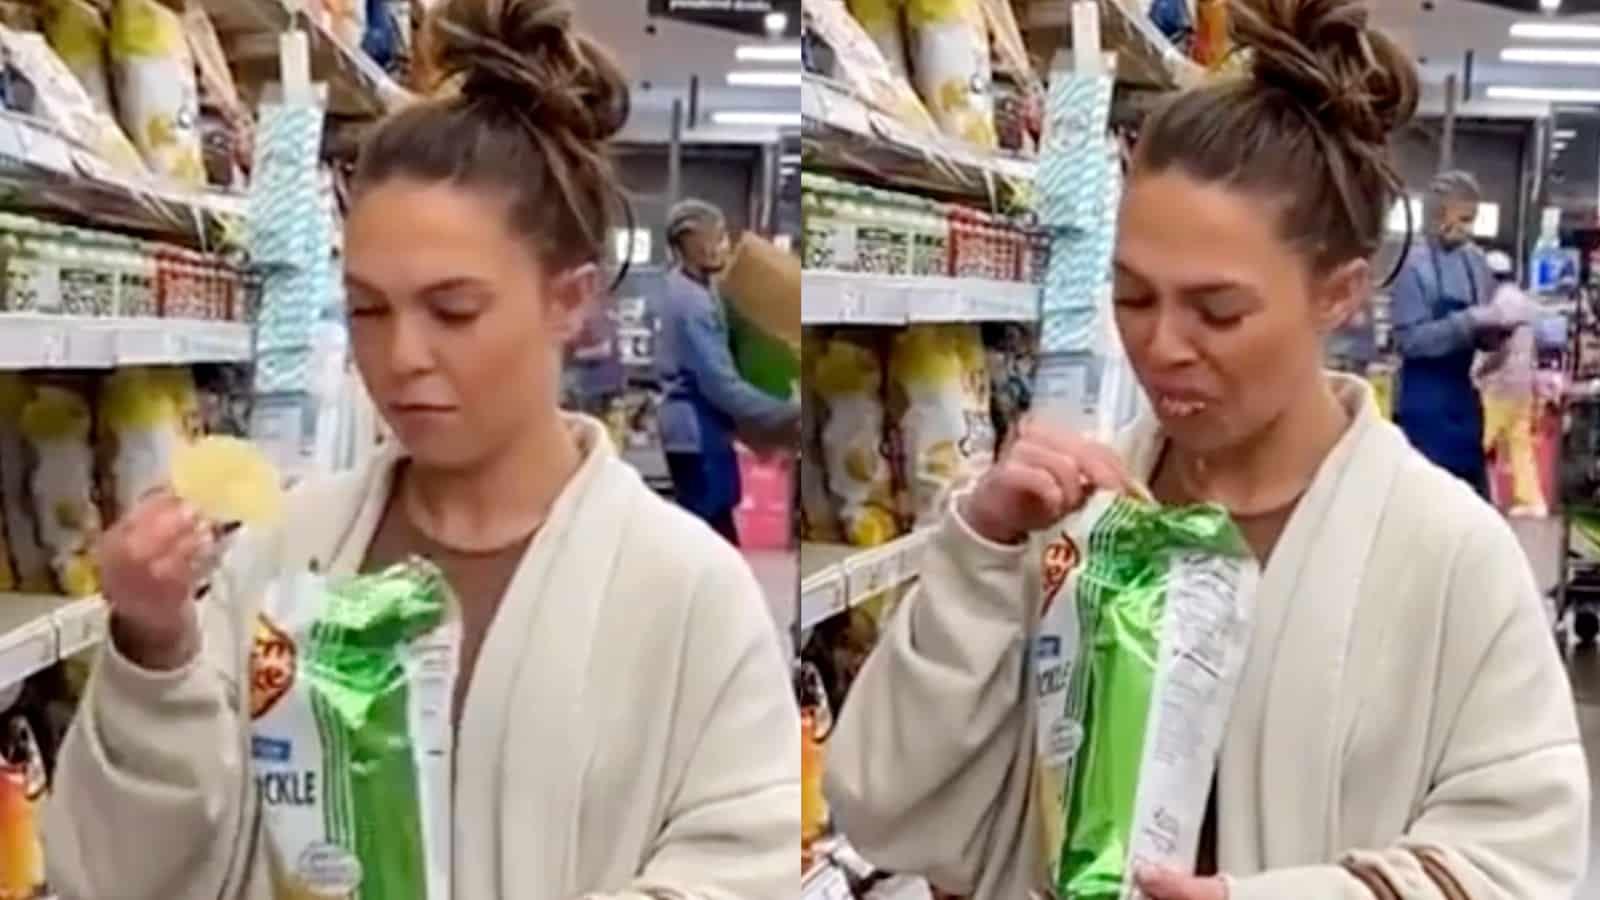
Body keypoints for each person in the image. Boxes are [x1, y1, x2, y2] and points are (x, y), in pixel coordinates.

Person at [825, 2, 1588, 899]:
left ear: (1338, 294)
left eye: (1217, 311)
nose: (1163, 346)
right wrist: (980, 558)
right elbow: (884, 809)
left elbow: (1520, 864)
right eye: (1134, 298)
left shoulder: (1446, 554)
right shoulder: (1074, 518)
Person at [41, 2, 798, 898]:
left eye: (453, 310)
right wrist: (153, 648)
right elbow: (135, 870)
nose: (400, 357)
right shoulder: (286, 555)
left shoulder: (689, 596)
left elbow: (739, 866)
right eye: (367, 309)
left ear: (571, 299)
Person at [654, 198, 799, 543]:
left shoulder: (697, 289)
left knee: (711, 534)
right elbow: (720, 385)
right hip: (696, 435)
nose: (725, 247)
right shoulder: (692, 304)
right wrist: (785, 413)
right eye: (715, 238)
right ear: (689, 242)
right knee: (712, 538)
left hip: (700, 433)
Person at [1392, 169, 1511, 496]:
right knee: (1425, 500)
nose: (1466, 229)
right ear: (1437, 213)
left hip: (1462, 401)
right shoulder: (1413, 266)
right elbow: (1408, 341)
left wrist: (1495, 334)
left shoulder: (1475, 263)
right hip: (1423, 402)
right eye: (1461, 218)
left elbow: (1483, 327)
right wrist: (1466, 323)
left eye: (1471, 219)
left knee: (1472, 503)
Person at [1476, 249, 1547, 517]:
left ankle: (1480, 496)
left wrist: (1479, 372)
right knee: (1520, 444)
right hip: (1522, 385)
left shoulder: (1498, 305)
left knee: (1479, 443)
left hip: (1498, 385)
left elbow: (1495, 348)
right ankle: (1532, 501)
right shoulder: (1524, 302)